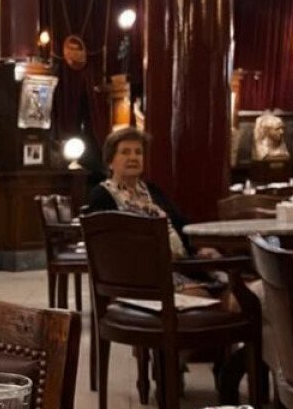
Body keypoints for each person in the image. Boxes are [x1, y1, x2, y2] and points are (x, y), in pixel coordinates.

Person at [86, 126, 222, 294]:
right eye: (125, 152)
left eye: (138, 152)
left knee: (234, 288)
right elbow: (107, 249)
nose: (133, 157)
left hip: (181, 266)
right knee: (207, 296)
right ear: (110, 162)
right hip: (140, 278)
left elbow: (180, 224)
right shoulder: (102, 195)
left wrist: (199, 249)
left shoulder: (152, 190)